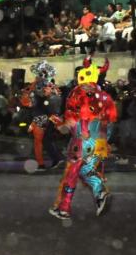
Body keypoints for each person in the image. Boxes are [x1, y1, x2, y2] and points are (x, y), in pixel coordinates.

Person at [49, 57, 117, 219]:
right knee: (86, 170)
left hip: (83, 137)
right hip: (100, 139)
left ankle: (64, 208)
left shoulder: (77, 92)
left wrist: (61, 124)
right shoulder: (105, 95)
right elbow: (112, 119)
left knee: (73, 172)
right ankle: (100, 193)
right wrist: (103, 140)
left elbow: (75, 118)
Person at [20, 61, 64, 171]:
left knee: (42, 140)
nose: (41, 76)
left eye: (42, 74)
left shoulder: (47, 87)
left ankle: (51, 160)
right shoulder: (41, 87)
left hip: (44, 117)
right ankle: (54, 159)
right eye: (40, 74)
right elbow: (27, 102)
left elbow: (29, 103)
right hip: (46, 117)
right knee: (44, 140)